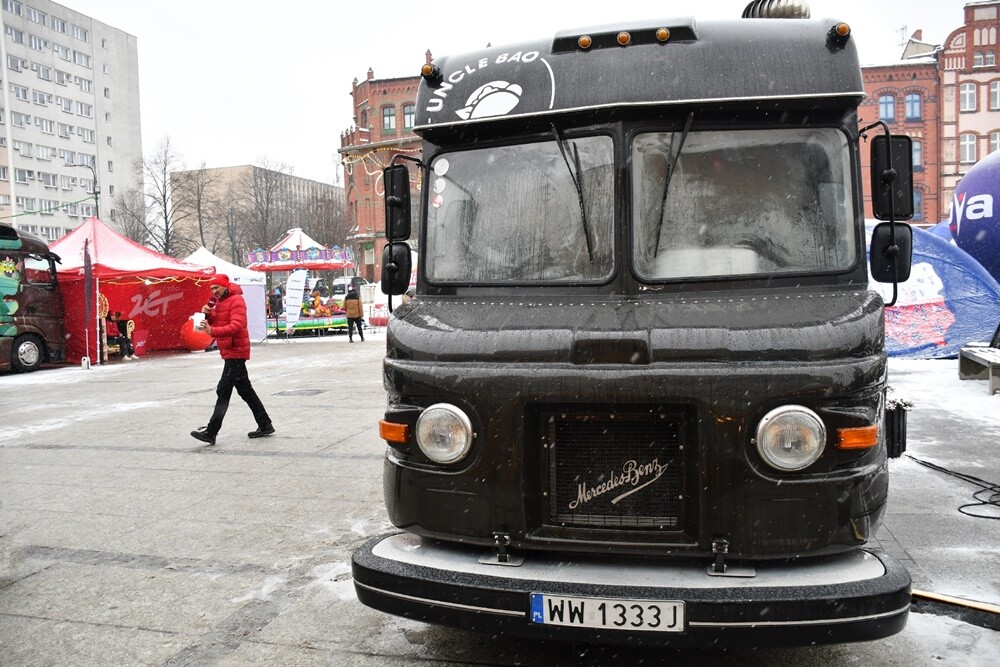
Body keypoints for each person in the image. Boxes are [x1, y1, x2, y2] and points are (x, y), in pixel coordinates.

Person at [190, 275, 274, 446]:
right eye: (212, 289)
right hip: (230, 350)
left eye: (217, 288)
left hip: (236, 350)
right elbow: (221, 320)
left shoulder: (237, 301)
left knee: (223, 390)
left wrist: (212, 331)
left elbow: (237, 325)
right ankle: (265, 424)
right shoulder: (221, 302)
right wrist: (209, 316)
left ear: (225, 286)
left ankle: (211, 432)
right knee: (245, 390)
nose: (214, 291)